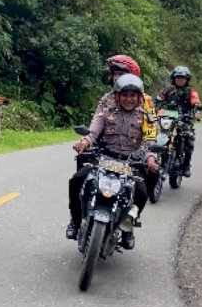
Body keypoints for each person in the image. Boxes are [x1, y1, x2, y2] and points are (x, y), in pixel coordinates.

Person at [67, 74, 160, 250]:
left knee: (141, 193)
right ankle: (75, 220)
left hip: (131, 164)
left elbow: (149, 142)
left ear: (139, 97)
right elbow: (93, 133)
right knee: (77, 180)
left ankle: (127, 227)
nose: (129, 99)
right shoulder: (106, 112)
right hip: (104, 158)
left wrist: (150, 158)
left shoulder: (147, 117)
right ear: (117, 95)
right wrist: (84, 143)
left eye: (133, 95)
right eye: (125, 95)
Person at [155, 66, 202, 177]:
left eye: (182, 78)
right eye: (178, 78)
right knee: (159, 136)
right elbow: (157, 101)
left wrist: (197, 112)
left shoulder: (191, 91)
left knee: (189, 138)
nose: (180, 80)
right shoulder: (168, 90)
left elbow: (196, 102)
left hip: (185, 120)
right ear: (173, 78)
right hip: (168, 119)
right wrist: (151, 109)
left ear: (187, 79)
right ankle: (161, 159)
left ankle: (186, 165)